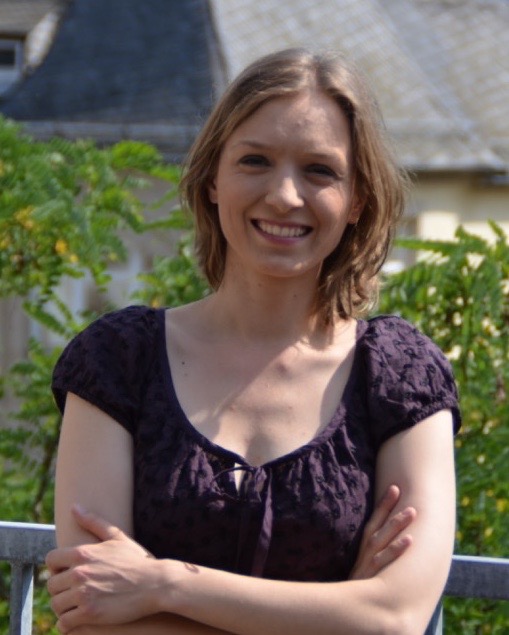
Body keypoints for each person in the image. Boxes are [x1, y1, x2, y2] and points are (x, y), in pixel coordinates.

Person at [45, 48, 461, 635]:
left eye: (320, 170)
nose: (285, 195)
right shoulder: (117, 361)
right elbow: (94, 615)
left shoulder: (399, 377)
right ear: (213, 180)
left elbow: (395, 617)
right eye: (255, 161)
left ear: (358, 200)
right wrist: (336, 612)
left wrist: (165, 584)